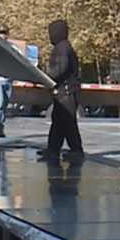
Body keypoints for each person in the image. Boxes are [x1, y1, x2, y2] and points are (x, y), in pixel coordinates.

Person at [40, 20, 84, 161]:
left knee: (67, 122)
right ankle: (53, 149)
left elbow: (61, 69)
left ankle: (76, 150)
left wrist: (46, 76)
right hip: (64, 91)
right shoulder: (63, 47)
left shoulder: (63, 48)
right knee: (59, 121)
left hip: (66, 91)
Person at [0, 28, 13, 138]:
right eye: (0, 33)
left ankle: (1, 126)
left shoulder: (11, 48)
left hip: (8, 80)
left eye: (4, 33)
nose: (2, 36)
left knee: (5, 104)